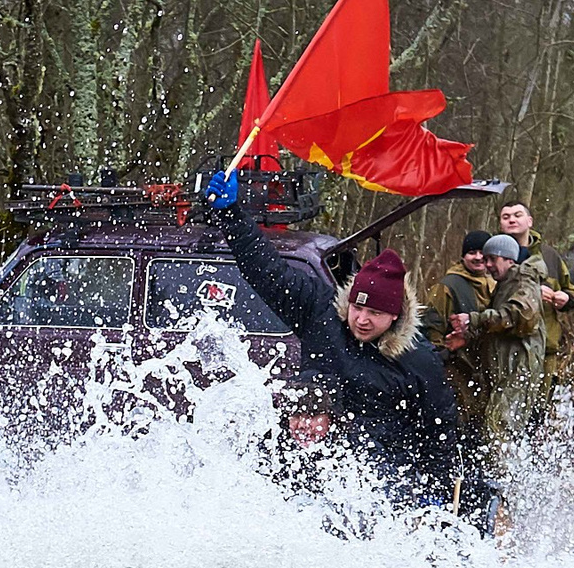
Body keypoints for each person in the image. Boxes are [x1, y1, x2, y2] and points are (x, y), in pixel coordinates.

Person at [203, 169, 462, 508]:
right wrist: (231, 214)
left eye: (375, 315)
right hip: (306, 465)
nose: (362, 320)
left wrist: (437, 492)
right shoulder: (319, 311)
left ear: (395, 316)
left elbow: (440, 430)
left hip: (377, 480)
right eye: (357, 307)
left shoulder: (419, 359)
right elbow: (265, 270)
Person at [445, 233, 548, 446]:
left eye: (493, 259)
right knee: (490, 429)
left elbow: (520, 317)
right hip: (503, 372)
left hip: (518, 371)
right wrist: (467, 339)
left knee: (499, 431)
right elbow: (498, 328)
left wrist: (472, 320)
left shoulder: (523, 280)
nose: (487, 265)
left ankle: (501, 479)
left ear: (509, 259)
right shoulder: (504, 284)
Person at [497, 198, 574, 406]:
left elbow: (571, 292)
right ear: (500, 224)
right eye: (506, 217)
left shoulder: (549, 256)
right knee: (504, 410)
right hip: (505, 345)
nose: (512, 220)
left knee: (537, 410)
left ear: (530, 221)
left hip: (545, 348)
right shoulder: (493, 255)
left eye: (517, 215)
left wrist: (565, 299)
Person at [420, 231, 498, 429]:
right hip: (457, 368)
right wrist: (443, 358)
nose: (478, 257)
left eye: (483, 252)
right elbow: (431, 327)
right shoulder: (448, 286)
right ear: (464, 256)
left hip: (485, 367)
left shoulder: (495, 283)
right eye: (472, 252)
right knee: (462, 423)